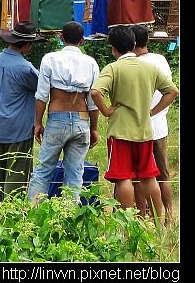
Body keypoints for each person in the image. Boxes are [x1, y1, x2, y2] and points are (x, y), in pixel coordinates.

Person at [90, 26, 178, 224]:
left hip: (121, 133)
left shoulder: (113, 68)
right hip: (145, 131)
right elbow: (172, 91)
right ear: (134, 44)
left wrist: (106, 110)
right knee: (149, 177)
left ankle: (128, 224)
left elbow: (96, 92)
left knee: (124, 178)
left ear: (113, 48)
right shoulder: (151, 67)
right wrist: (152, 112)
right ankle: (159, 222)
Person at [27, 21, 100, 204]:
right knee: (75, 174)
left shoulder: (50, 59)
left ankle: (35, 214)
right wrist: (94, 128)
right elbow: (92, 101)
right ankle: (70, 219)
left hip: (57, 119)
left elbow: (42, 95)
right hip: (82, 120)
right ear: (82, 40)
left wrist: (38, 123)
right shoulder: (90, 63)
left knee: (44, 170)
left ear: (61, 37)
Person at [0, 20, 45, 205]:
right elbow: (43, 91)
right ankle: (11, 215)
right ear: (28, 45)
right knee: (17, 173)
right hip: (19, 129)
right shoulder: (25, 68)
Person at [130, 24, 175, 222]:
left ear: (131, 43)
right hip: (160, 126)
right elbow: (171, 91)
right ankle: (170, 215)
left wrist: (148, 113)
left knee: (139, 174)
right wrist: (155, 113)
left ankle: (142, 216)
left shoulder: (134, 64)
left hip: (140, 128)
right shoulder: (160, 59)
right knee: (163, 173)